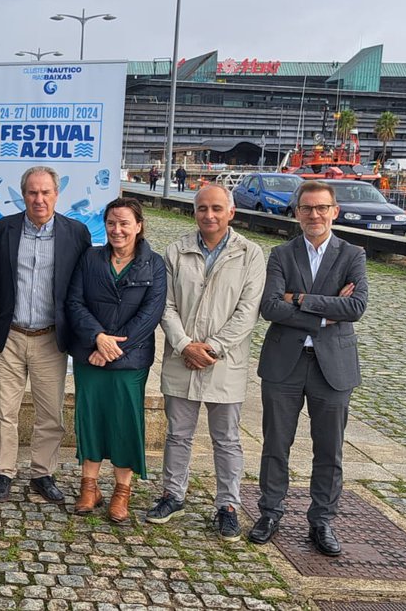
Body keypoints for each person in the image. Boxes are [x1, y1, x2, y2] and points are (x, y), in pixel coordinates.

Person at [248, 181, 368, 556]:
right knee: (276, 444)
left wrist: (299, 299)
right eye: (306, 208)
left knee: (329, 448)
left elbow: (355, 308)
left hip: (333, 367)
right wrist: (324, 311)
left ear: (334, 211)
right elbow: (269, 307)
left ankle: (322, 520)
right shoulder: (281, 255)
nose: (314, 215)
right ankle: (270, 512)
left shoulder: (353, 254)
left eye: (321, 208)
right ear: (296, 212)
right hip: (285, 363)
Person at [147, 184, 264, 541]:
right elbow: (164, 304)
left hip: (223, 361)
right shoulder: (176, 251)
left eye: (216, 208)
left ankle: (228, 505)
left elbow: (248, 312)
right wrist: (184, 345)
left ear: (231, 212)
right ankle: (173, 494)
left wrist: (211, 347)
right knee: (178, 434)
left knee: (226, 438)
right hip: (182, 357)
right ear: (194, 212)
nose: (209, 216)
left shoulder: (250, 254)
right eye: (202, 209)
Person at [0, 166, 91, 503]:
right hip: (10, 334)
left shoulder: (76, 233)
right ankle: (4, 472)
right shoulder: (3, 228)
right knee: (4, 411)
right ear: (23, 195)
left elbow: (83, 287)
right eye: (32, 192)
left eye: (46, 192)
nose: (39, 199)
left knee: (50, 413)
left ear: (57, 195)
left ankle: (42, 473)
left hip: (50, 337)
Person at [66, 197, 166, 523]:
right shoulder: (90, 258)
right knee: (91, 419)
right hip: (90, 355)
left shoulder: (154, 264)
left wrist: (111, 348)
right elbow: (75, 302)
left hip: (130, 361)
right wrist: (97, 337)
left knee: (125, 423)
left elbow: (150, 315)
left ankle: (122, 492)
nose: (117, 230)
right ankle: (89, 487)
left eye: (124, 223)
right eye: (111, 223)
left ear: (138, 226)